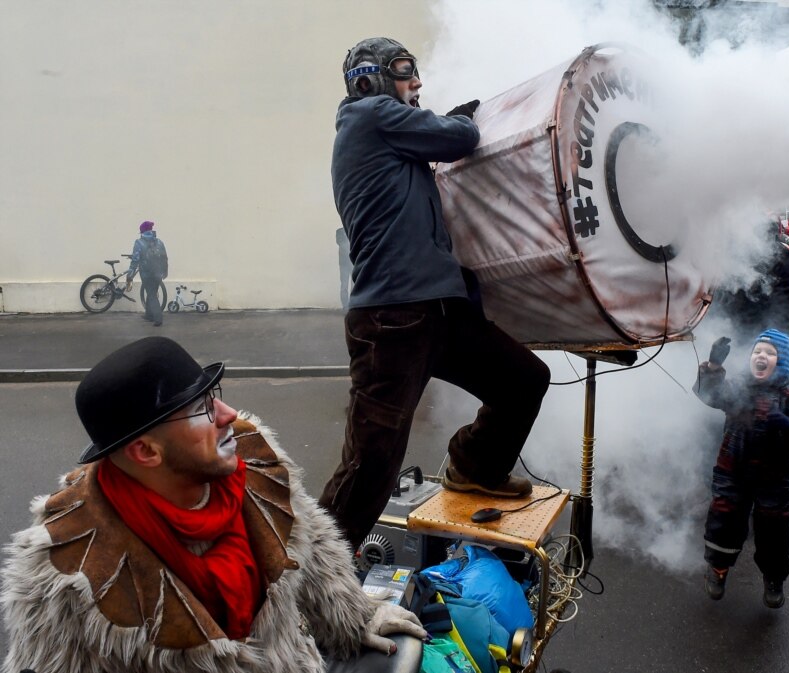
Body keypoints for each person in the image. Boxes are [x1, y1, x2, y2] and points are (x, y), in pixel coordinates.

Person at [0, 336, 428, 673]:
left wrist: (356, 618)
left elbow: (312, 550)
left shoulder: (255, 467)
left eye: (214, 393)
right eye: (201, 408)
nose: (227, 414)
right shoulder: (63, 574)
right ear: (147, 452)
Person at [320, 37, 551, 550]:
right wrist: (463, 122)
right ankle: (311, 580)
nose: (416, 82)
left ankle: (474, 466)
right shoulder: (369, 114)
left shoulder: (386, 134)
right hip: (392, 319)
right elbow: (459, 140)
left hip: (437, 310)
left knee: (524, 380)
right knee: (372, 466)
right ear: (370, 79)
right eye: (404, 71)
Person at [694, 329, 789, 609]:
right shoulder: (738, 385)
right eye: (757, 351)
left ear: (782, 362)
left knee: (773, 529)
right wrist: (714, 367)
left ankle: (774, 578)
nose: (762, 356)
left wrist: (788, 424)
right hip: (732, 469)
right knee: (724, 520)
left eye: (771, 353)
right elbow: (710, 396)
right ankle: (718, 569)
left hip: (773, 476)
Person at [127, 220, 169, 326]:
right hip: (158, 273)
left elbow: (135, 260)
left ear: (142, 232)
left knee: (151, 295)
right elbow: (165, 257)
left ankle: (158, 318)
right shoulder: (159, 242)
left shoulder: (139, 242)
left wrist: (130, 275)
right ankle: (149, 315)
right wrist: (165, 271)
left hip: (146, 274)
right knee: (152, 292)